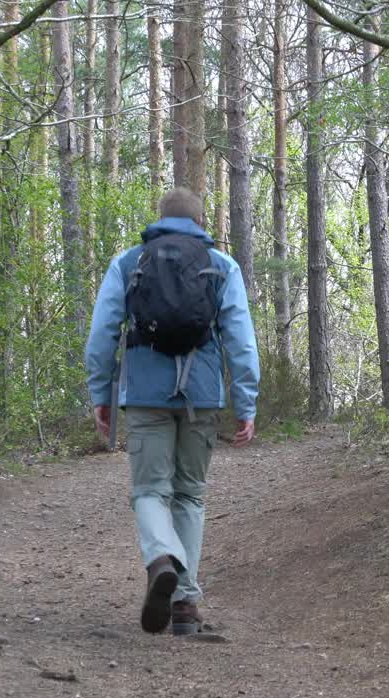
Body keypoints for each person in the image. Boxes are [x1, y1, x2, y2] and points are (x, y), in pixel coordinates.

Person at [85, 187, 260, 635]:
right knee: (190, 495)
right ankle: (184, 603)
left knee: (149, 491)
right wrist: (246, 403)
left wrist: (101, 394)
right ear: (201, 222)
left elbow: (104, 330)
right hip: (201, 396)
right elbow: (240, 340)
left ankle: (161, 557)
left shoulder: (130, 262)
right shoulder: (222, 265)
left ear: (160, 219)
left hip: (144, 393)